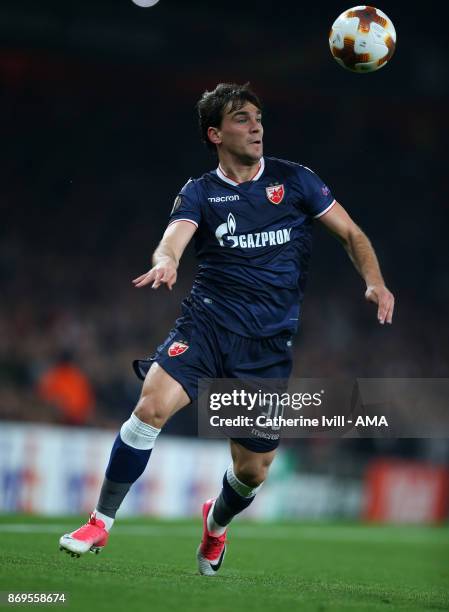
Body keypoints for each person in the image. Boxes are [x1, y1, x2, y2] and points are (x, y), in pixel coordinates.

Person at [59, 83, 394, 575]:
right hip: (207, 327)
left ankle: (215, 527)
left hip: (265, 348)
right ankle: (99, 521)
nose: (256, 125)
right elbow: (172, 240)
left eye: (258, 117)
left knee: (251, 471)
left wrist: (375, 281)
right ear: (215, 134)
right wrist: (167, 262)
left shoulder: (295, 181)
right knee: (150, 406)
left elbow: (351, 232)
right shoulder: (201, 192)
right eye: (242, 118)